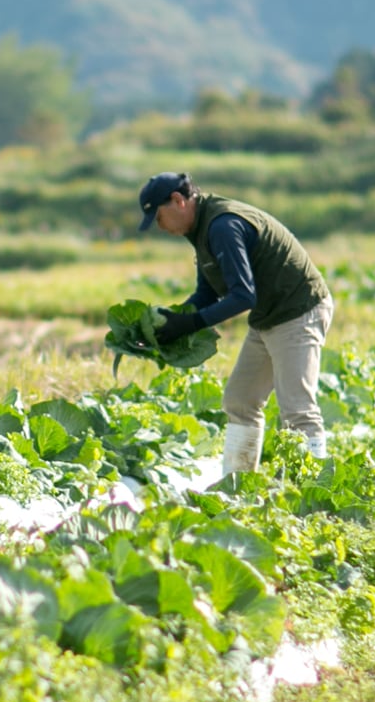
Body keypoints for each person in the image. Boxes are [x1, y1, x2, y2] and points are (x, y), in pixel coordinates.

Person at [137, 170, 332, 478]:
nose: (160, 227)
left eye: (159, 218)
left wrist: (189, 325)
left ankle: (313, 493)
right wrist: (167, 324)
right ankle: (236, 484)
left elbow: (243, 296)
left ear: (178, 201)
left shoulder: (223, 225)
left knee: (298, 411)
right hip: (268, 317)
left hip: (298, 310)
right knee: (240, 400)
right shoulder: (201, 228)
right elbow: (207, 292)